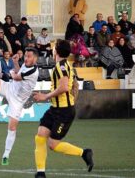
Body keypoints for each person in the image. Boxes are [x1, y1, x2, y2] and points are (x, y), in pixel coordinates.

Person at [33, 40, 94, 178]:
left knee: (53, 145)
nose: (53, 49)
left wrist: (45, 96)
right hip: (55, 109)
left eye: (54, 47)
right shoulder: (62, 65)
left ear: (57, 51)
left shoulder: (61, 67)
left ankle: (84, 153)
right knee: (40, 135)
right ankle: (40, 173)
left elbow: (64, 87)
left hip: (64, 112)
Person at [0, 47, 39, 166]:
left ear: (35, 58)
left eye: (29, 56)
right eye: (25, 56)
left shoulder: (33, 71)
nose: (26, 58)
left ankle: (6, 154)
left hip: (17, 101)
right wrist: (16, 63)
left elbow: (16, 76)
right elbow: (19, 72)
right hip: (9, 88)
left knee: (11, 129)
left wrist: (11, 71)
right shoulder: (26, 65)